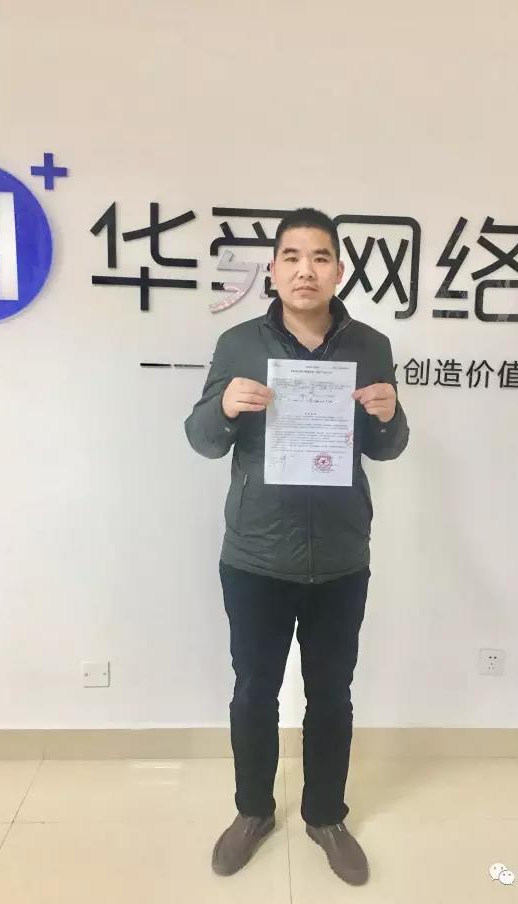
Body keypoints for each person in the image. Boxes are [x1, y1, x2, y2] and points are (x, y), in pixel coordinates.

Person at [184, 207, 410, 885]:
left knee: (331, 693)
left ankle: (325, 815)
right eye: (291, 256)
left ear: (339, 271)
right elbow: (201, 438)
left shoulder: (370, 345)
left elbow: (387, 447)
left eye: (319, 257)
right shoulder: (238, 344)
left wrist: (390, 416)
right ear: (274, 270)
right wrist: (224, 408)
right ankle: (253, 810)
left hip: (340, 556)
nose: (305, 270)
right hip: (255, 555)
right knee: (254, 690)